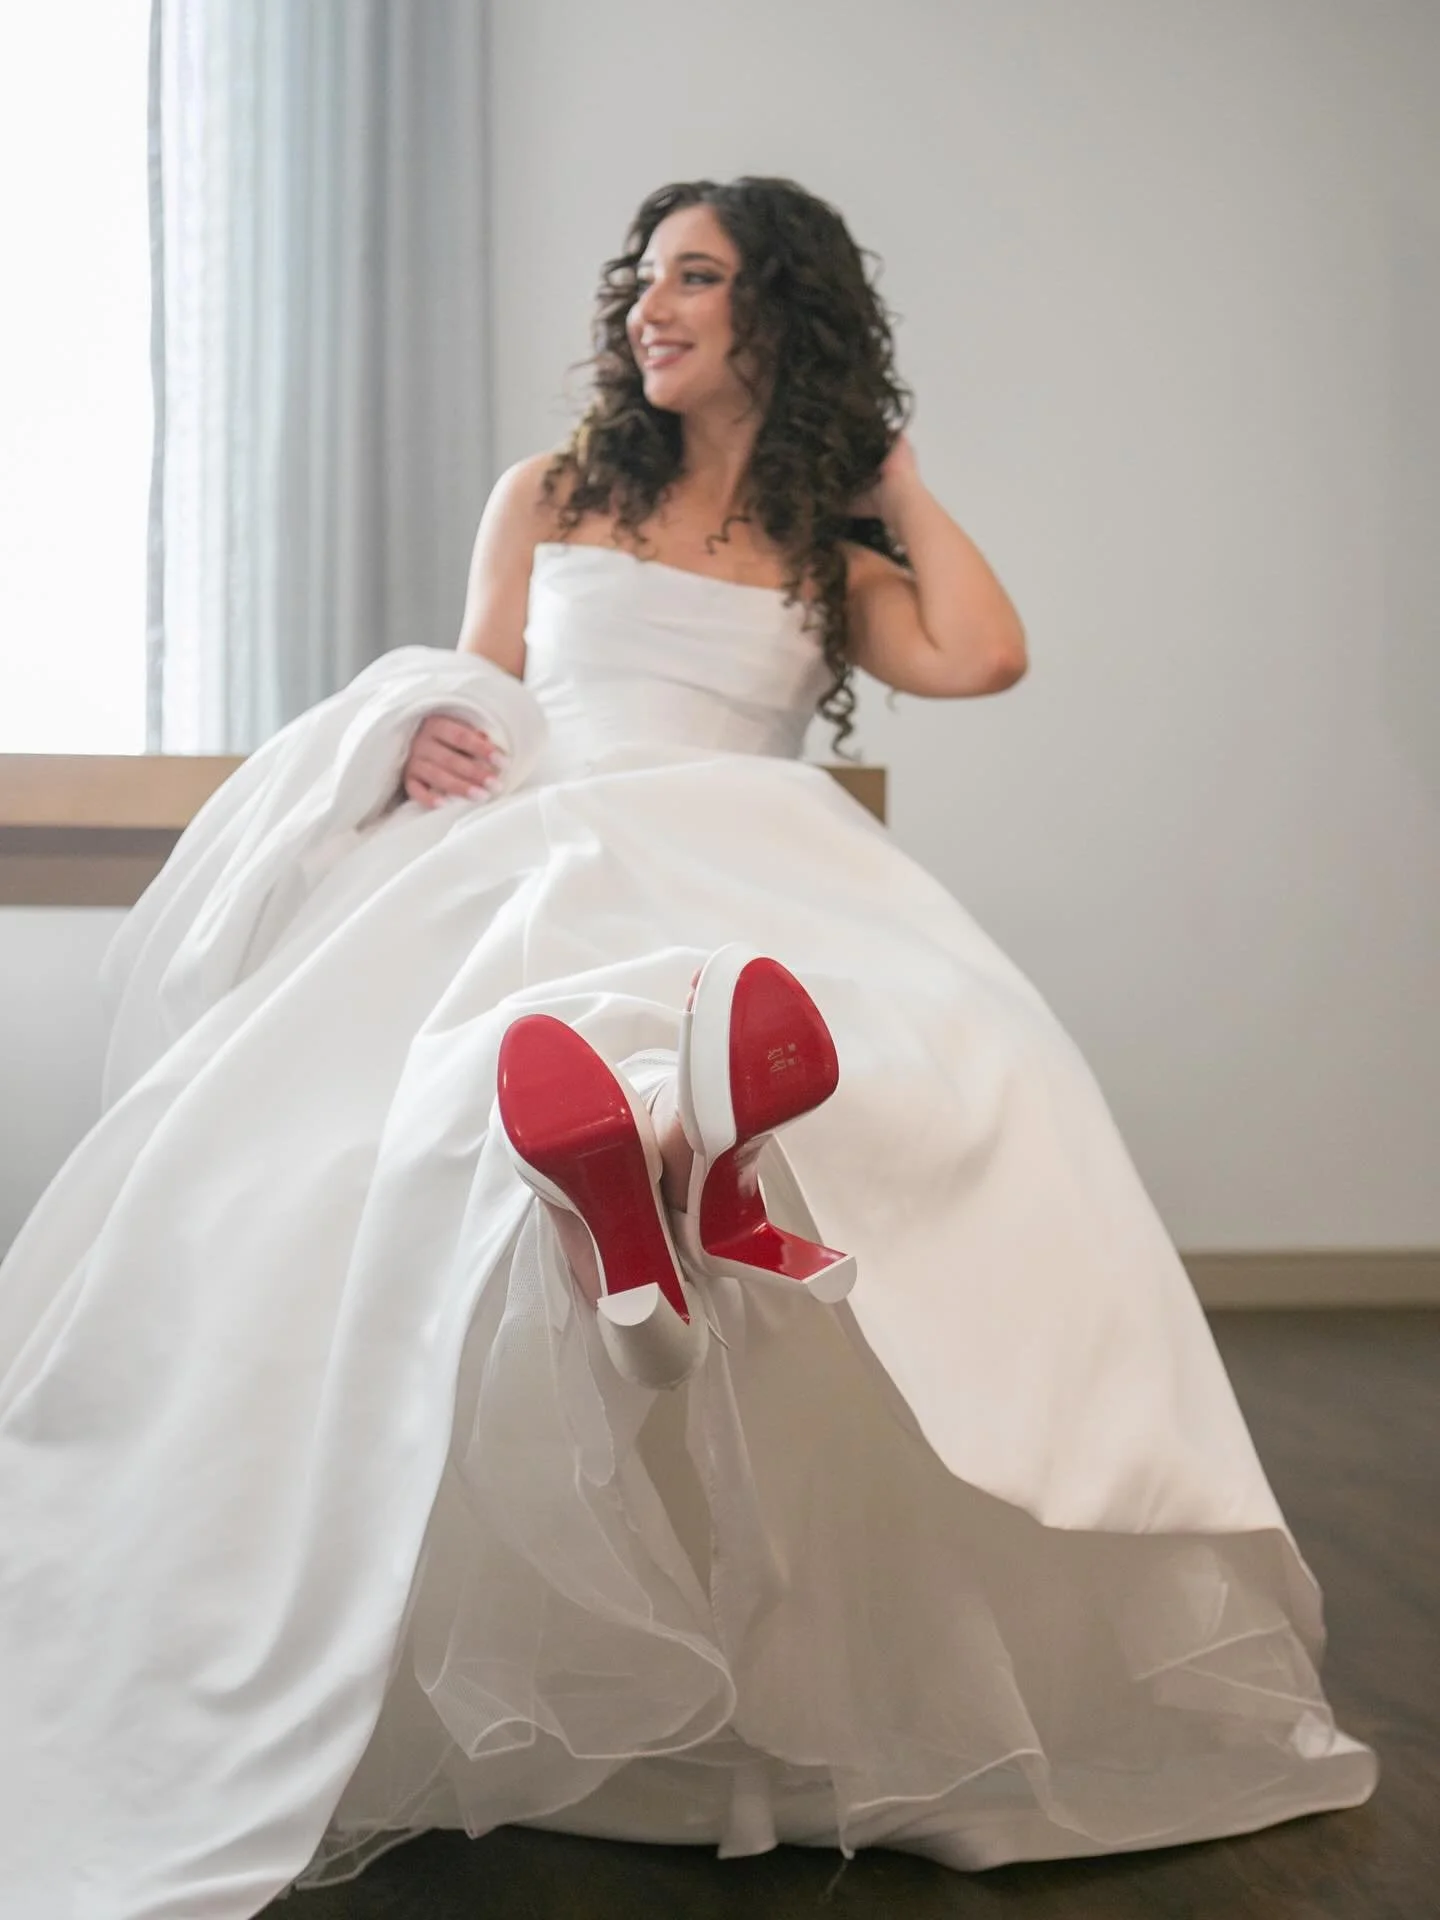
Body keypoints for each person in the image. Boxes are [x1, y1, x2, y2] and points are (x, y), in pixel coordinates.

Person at [0, 176, 1375, 1917]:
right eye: (647, 280)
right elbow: (492, 677)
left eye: (700, 281)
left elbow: (987, 654)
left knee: (938, 1069)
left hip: (758, 845)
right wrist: (434, 733)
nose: (655, 307)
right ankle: (662, 1169)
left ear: (776, 318)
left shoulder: (825, 554)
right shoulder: (556, 493)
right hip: (560, 821)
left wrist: (895, 485)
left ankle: (675, 1169)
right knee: (487, 1052)